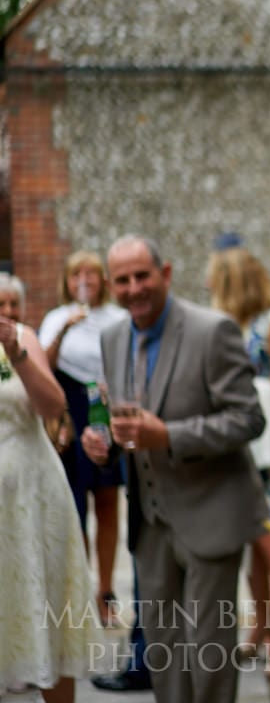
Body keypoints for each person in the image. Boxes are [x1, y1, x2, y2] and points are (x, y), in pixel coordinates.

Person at [81, 235, 267, 703]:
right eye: (122, 280)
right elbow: (125, 423)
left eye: (142, 275)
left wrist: (170, 436)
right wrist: (102, 444)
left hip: (211, 514)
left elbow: (249, 418)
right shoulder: (112, 338)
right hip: (150, 521)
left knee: (208, 656)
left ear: (164, 274)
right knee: (163, 656)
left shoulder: (212, 330)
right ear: (110, 285)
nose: (133, 287)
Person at [205, 246, 270, 675]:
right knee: (252, 541)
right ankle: (260, 624)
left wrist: (255, 390)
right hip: (242, 447)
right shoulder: (231, 325)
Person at [0, 272, 90, 703]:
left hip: (34, 494)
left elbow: (54, 406)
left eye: (11, 304)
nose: (6, 311)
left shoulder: (23, 338)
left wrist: (14, 350)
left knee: (49, 606)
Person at [37, 250, 127, 623]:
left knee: (107, 502)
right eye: (77, 274)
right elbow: (43, 364)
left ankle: (105, 591)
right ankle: (80, 588)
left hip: (105, 404)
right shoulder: (57, 317)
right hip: (71, 411)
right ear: (68, 280)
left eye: (92, 273)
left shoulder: (117, 317)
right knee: (77, 507)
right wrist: (65, 329)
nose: (85, 281)